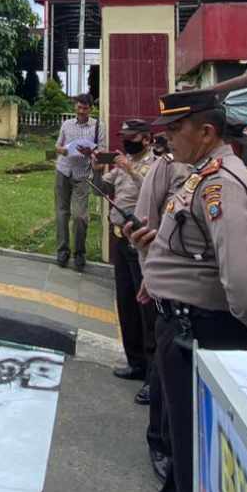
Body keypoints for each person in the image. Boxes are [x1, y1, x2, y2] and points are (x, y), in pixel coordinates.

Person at [121, 89, 247, 492]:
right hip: (181, 321)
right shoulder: (199, 175)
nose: (168, 139)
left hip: (198, 329)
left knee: (193, 442)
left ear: (206, 131)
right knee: (187, 442)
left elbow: (239, 275)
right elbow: (196, 242)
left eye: (175, 129)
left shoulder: (220, 184)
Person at [95, 120, 158, 400]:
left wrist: (130, 169)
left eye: (131, 138)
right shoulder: (124, 162)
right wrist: (97, 170)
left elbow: (153, 193)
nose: (126, 142)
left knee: (147, 309)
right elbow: (102, 187)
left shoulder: (155, 165)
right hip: (121, 239)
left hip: (141, 243)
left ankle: (153, 375)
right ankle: (136, 362)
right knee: (126, 304)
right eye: (124, 137)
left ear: (146, 139)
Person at [54, 93, 103, 271]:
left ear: (91, 109)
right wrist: (65, 150)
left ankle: (79, 253)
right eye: (78, 107)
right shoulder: (66, 124)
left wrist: (91, 153)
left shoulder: (98, 126)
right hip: (63, 171)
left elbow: (102, 151)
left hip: (82, 175)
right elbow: (57, 146)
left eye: (85, 108)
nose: (81, 111)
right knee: (61, 213)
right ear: (75, 107)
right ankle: (62, 250)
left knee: (80, 216)